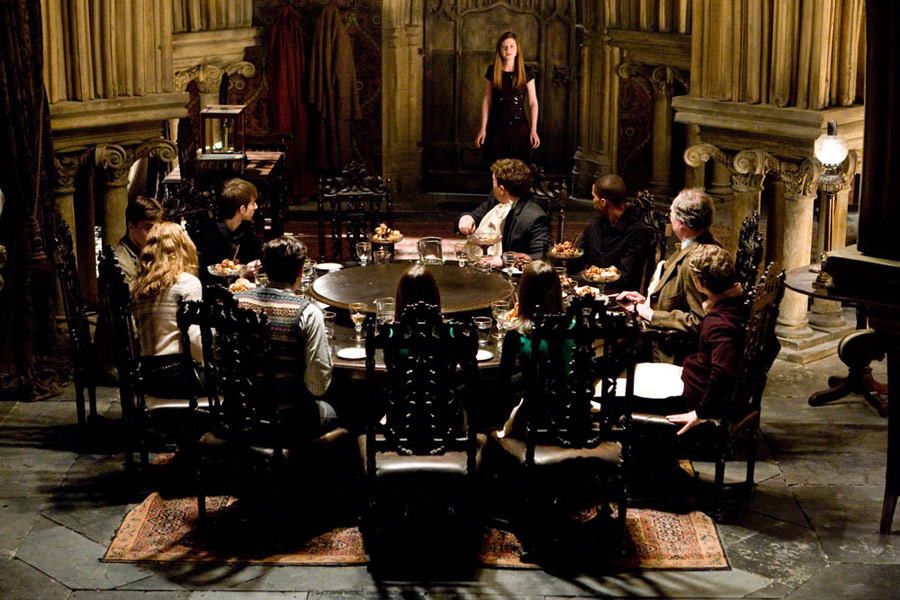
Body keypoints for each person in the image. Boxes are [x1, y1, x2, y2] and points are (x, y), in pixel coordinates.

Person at [631, 245, 747, 434]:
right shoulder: (738, 303)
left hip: (689, 397)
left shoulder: (718, 322)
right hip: (691, 380)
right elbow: (772, 346)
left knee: (611, 397)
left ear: (699, 283)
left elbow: (723, 372)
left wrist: (700, 413)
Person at [234, 236, 337, 434]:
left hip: (239, 413)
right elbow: (317, 386)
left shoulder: (235, 302)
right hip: (289, 419)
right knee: (341, 410)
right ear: (300, 271)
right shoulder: (308, 313)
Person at [616, 188, 721, 360]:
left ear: (682, 223)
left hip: (671, 352)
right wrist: (646, 302)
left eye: (671, 212)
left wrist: (650, 314)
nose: (669, 217)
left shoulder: (698, 260)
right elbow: (680, 297)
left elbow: (700, 321)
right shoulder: (696, 244)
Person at [495, 260, 572, 434]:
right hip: (573, 418)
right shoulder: (575, 328)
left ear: (523, 293)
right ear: (557, 291)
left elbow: (502, 388)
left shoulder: (518, 334)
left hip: (535, 423)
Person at [130, 222, 204, 399]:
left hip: (146, 377)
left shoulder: (137, 286)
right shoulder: (187, 282)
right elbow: (195, 341)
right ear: (183, 248)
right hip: (178, 376)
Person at [456, 158, 552, 266]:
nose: (492, 185)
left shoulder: (535, 217)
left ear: (501, 189)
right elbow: (477, 215)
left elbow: (542, 256)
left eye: (493, 181)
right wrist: (466, 217)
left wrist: (504, 260)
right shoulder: (496, 200)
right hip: (482, 264)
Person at [574, 174, 654, 293]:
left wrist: (577, 280)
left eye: (594, 197)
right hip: (591, 292)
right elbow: (577, 259)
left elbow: (625, 278)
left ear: (603, 202)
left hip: (619, 296)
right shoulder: (595, 224)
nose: (593, 201)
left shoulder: (638, 231)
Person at [475, 31, 540, 162]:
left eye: (511, 46)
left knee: (518, 168)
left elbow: (533, 102)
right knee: (497, 167)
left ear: (517, 49)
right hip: (496, 127)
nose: (508, 50)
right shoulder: (493, 71)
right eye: (504, 47)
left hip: (519, 127)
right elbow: (487, 100)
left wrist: (533, 130)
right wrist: (483, 128)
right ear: (499, 50)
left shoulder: (526, 72)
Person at [192, 178, 262, 284]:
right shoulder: (207, 236)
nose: (256, 207)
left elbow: (256, 257)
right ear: (242, 209)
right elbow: (206, 277)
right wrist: (241, 274)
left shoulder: (246, 229)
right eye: (252, 203)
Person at [115, 196, 162, 283]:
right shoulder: (120, 262)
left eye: (157, 228)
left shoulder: (152, 249)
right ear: (131, 227)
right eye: (148, 228)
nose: (155, 234)